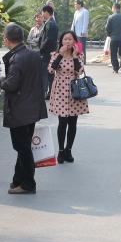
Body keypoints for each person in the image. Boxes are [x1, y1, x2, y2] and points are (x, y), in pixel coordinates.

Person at [0, 23, 47, 194]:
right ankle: (18, 179)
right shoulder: (33, 54)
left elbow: (11, 84)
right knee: (24, 146)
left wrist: (0, 81)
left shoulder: (17, 58)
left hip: (20, 109)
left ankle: (28, 184)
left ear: (7, 39)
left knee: (22, 148)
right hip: (32, 106)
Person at [48, 30, 90, 164]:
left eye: (70, 39)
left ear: (74, 42)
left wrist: (75, 56)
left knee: (73, 122)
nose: (67, 42)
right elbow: (51, 70)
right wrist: (60, 55)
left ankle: (69, 150)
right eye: (65, 39)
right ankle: (61, 151)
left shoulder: (79, 55)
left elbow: (80, 71)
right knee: (62, 122)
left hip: (74, 90)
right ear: (61, 41)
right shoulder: (55, 54)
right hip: (60, 90)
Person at [38, 4, 59, 98]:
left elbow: (48, 39)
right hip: (48, 53)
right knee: (49, 74)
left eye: (42, 12)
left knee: (46, 74)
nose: (42, 14)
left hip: (47, 53)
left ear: (46, 12)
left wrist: (41, 49)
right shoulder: (50, 23)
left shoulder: (51, 24)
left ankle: (46, 92)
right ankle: (50, 92)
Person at [105, 2, 121, 74]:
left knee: (113, 54)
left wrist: (109, 35)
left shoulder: (111, 17)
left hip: (113, 38)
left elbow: (107, 28)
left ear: (114, 8)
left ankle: (115, 68)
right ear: (120, 8)